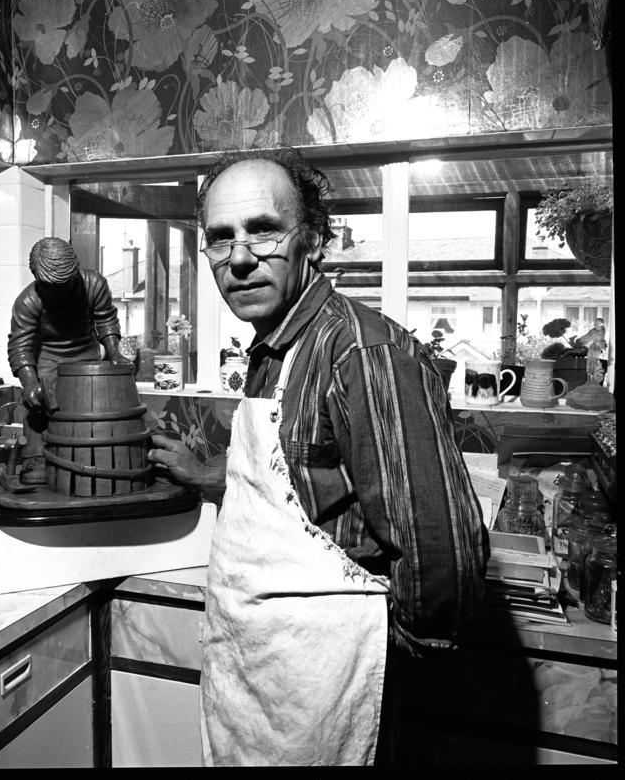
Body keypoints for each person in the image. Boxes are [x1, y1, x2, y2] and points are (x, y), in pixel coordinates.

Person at [148, 148, 490, 766]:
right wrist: (211, 476)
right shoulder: (272, 348)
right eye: (220, 239)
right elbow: (305, 485)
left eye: (263, 230)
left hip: (327, 678)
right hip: (258, 671)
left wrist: (387, 659)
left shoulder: (362, 350)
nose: (241, 257)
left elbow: (442, 556)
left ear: (312, 241)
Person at [7, 236, 132, 484]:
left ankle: (94, 454)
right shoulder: (28, 301)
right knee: (38, 406)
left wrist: (114, 352)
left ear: (75, 270)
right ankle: (36, 457)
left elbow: (106, 319)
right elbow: (21, 346)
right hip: (48, 360)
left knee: (94, 406)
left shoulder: (93, 284)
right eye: (50, 286)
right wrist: (31, 384)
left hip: (87, 355)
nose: (58, 292)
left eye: (64, 284)